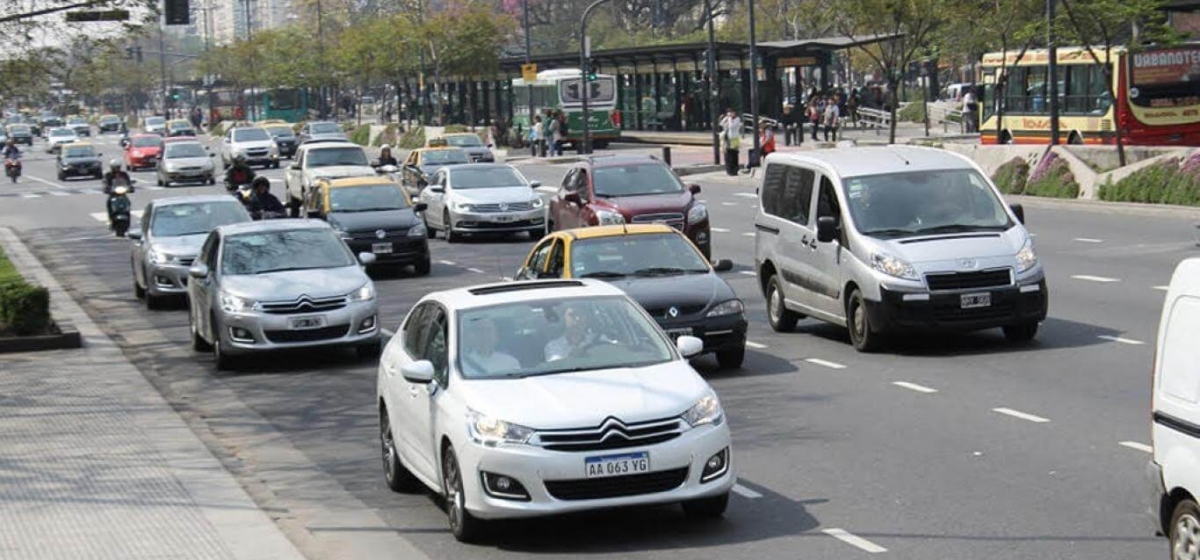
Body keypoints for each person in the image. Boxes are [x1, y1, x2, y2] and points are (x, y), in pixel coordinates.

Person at [545, 303, 611, 362]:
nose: (577, 319)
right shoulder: (554, 346)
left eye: (581, 315)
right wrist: (571, 357)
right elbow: (555, 368)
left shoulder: (600, 340)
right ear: (563, 319)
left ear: (586, 319)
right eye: (572, 315)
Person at [718, 108, 742, 176]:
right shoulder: (727, 119)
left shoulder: (737, 119)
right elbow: (721, 124)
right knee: (728, 154)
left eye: (731, 112)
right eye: (729, 112)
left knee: (734, 154)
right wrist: (724, 119)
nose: (730, 114)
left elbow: (732, 126)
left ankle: (735, 170)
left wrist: (729, 119)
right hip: (727, 139)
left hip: (734, 138)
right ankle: (729, 170)